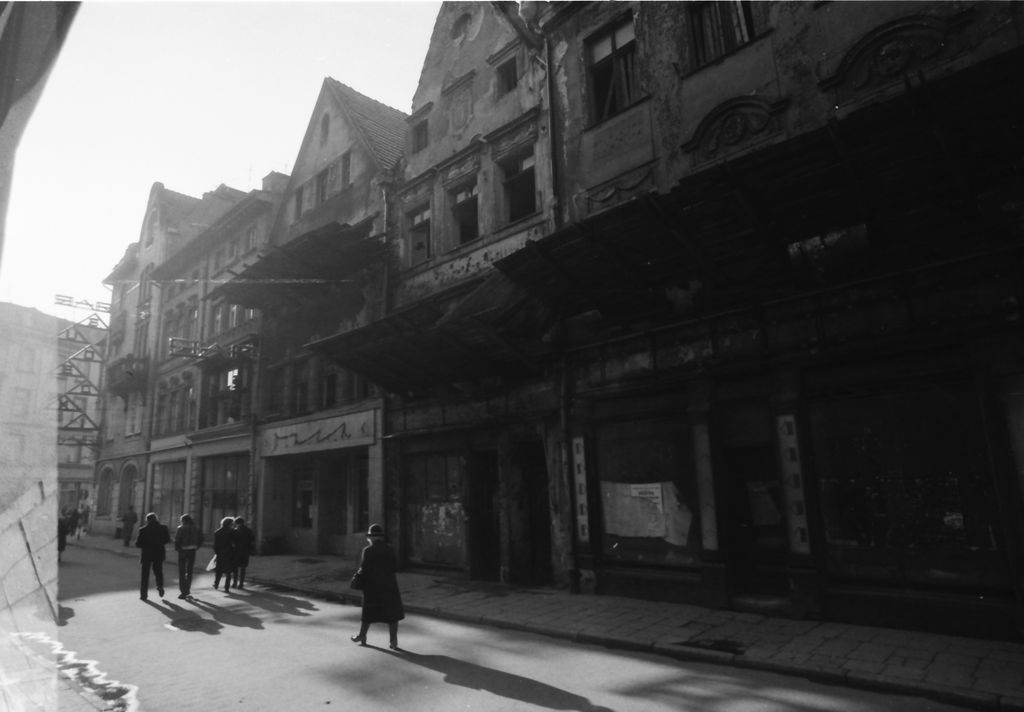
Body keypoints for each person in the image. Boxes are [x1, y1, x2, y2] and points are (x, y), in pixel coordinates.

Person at [350, 523, 404, 651]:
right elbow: (395, 567)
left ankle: (362, 636)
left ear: (371, 538)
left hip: (372, 586)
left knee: (368, 613)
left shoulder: (367, 551)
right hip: (389, 586)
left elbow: (364, 569)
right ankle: (393, 641)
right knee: (392, 614)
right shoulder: (390, 549)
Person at [135, 512, 170, 600]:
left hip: (147, 554)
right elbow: (167, 540)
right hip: (159, 553)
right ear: (156, 519)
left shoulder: (143, 530)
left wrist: (145, 545)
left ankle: (144, 595)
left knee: (145, 575)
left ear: (147, 520)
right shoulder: (163, 528)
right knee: (158, 571)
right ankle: (160, 585)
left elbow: (138, 544)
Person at [173, 514, 203, 599]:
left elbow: (177, 540)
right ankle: (187, 589)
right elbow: (201, 538)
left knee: (182, 571)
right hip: (192, 550)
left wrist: (178, 548)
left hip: (183, 550)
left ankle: (183, 591)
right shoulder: (196, 528)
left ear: (183, 521)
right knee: (189, 571)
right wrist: (197, 546)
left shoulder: (181, 528)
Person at [212, 517, 236, 593]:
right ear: (230, 524)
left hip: (220, 553)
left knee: (219, 570)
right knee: (228, 571)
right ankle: (226, 587)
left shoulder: (217, 532)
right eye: (232, 524)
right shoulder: (232, 532)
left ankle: (216, 584)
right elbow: (234, 542)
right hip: (229, 553)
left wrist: (217, 552)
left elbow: (215, 545)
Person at [231, 517, 255, 589]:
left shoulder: (235, 531)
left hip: (236, 551)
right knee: (243, 568)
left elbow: (232, 541)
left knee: (235, 568)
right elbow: (252, 539)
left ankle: (234, 583)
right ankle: (241, 584)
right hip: (245, 551)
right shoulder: (248, 530)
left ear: (236, 523)